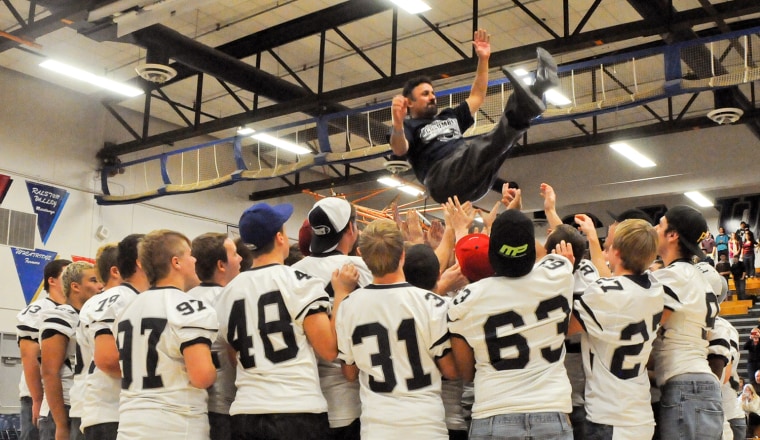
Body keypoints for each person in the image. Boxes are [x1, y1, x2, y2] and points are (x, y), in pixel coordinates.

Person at [215, 202, 357, 440]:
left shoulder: (227, 293)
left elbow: (233, 356)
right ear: (280, 237)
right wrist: (341, 293)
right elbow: (330, 349)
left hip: (245, 412)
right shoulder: (299, 282)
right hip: (296, 411)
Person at [389, 29, 558, 203]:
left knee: (503, 143)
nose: (432, 96)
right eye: (425, 94)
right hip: (441, 179)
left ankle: (537, 90)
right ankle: (529, 102)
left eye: (432, 92)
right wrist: (398, 123)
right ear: (409, 102)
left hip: (476, 178)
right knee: (483, 145)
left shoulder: (449, 116)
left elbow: (477, 96)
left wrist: (483, 59)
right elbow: (399, 149)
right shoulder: (409, 126)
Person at [448, 209, 575, 439]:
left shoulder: (467, 298)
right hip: (551, 410)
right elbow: (551, 251)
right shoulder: (560, 274)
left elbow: (466, 372)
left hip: (494, 412)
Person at [336, 219, 457, 439]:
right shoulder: (433, 303)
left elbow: (350, 373)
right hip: (426, 425)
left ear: (361, 254)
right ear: (403, 254)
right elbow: (450, 370)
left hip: (377, 427)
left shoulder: (347, 306)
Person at [115, 229, 218, 439]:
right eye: (189, 254)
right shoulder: (190, 307)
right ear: (176, 262)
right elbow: (201, 376)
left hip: (129, 424)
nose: (194, 259)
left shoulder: (127, 309)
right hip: (176, 425)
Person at [568, 219, 664, 439]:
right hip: (640, 413)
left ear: (616, 252)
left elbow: (563, 328)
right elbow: (615, 282)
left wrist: (564, 274)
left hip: (610, 416)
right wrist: (592, 239)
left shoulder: (605, 293)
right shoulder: (656, 288)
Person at [291, 197, 373, 440]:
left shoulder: (294, 271)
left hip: (307, 398)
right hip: (350, 396)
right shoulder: (361, 267)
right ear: (351, 228)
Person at [651, 205, 723, 439]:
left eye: (660, 224)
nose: (654, 229)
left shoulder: (672, 276)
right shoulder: (698, 278)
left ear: (673, 235)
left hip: (684, 384)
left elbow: (644, 324)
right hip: (700, 382)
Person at [78, 234, 150, 440]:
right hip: (112, 411)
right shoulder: (119, 299)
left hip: (115, 410)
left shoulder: (133, 297)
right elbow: (107, 359)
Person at [183, 232, 242, 440]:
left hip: (193, 406)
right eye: (235, 254)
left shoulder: (183, 299)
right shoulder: (231, 299)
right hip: (225, 407)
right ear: (221, 265)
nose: (240, 258)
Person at [39, 262, 103, 440]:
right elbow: (49, 371)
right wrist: (60, 423)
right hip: (62, 406)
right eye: (93, 280)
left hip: (81, 404)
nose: (100, 286)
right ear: (75, 286)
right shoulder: (60, 315)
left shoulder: (92, 315)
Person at [16, 259, 72, 440]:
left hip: (64, 395)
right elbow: (29, 356)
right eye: (66, 275)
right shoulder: (38, 309)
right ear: (52, 280)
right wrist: (37, 398)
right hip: (38, 394)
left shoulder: (73, 310)